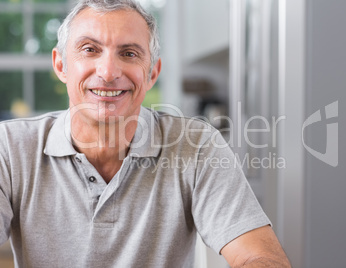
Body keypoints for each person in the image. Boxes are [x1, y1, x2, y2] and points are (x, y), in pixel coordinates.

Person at [0, 0, 291, 267]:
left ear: (152, 73)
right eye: (90, 49)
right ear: (60, 65)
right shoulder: (9, 147)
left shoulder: (197, 145)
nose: (109, 71)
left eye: (129, 53)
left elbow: (259, 256)